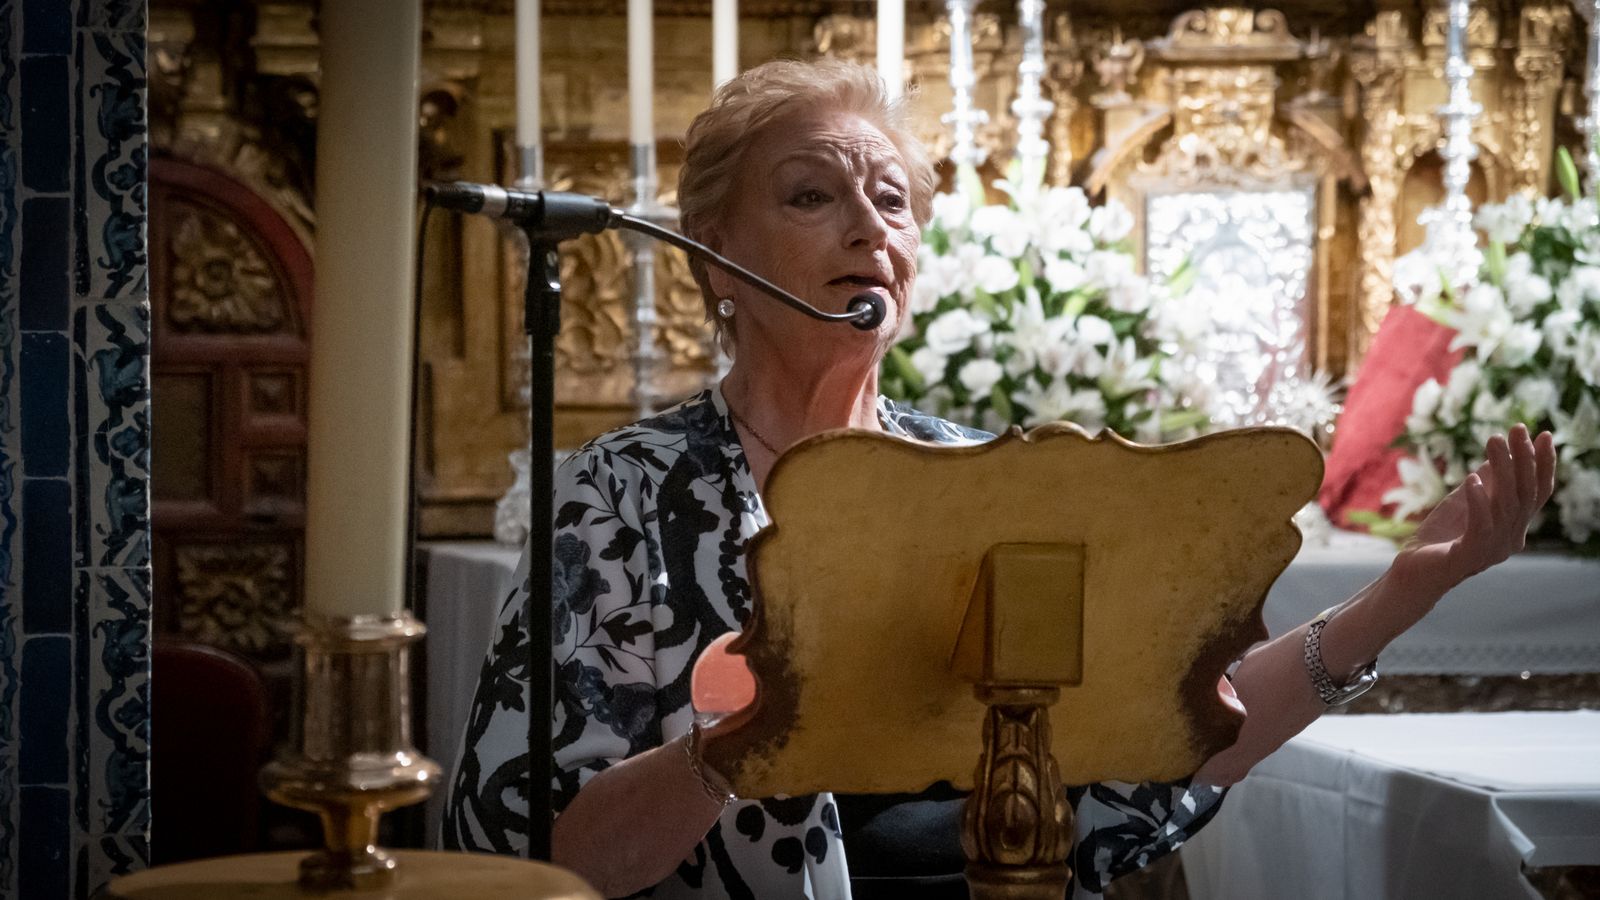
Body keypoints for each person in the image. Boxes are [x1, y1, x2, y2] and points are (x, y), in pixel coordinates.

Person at [442, 59, 1557, 899]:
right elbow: (543, 860)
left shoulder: (987, 481)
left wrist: (1404, 595)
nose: (869, 230)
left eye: (891, 201)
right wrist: (743, 744)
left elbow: (1159, 753)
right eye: (811, 197)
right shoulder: (623, 496)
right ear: (708, 253)